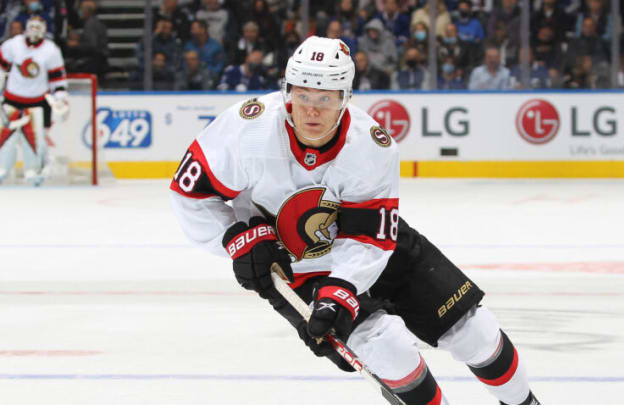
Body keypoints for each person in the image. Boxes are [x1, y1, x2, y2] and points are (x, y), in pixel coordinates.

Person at [169, 35, 541, 405]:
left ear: (345, 98)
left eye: (325, 99)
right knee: (387, 348)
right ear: (287, 93)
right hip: (294, 269)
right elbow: (189, 193)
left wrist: (343, 288)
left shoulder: (370, 145)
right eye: (303, 96)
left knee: (474, 331)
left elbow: (368, 237)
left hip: (374, 248)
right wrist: (235, 237)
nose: (312, 111)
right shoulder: (246, 129)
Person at [0, 16, 68, 185]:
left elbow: (57, 79)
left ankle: (35, 171)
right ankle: (2, 169)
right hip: (11, 101)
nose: (34, 30)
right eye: (31, 26)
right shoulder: (12, 45)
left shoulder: (51, 50)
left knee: (36, 140)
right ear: (26, 27)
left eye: (38, 27)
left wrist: (60, 98)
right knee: (5, 140)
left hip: (37, 103)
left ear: (44, 30)